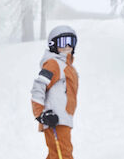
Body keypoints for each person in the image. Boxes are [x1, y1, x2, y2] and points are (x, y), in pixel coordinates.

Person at [31, 25, 79, 159]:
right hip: (53, 119)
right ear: (53, 45)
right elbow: (38, 88)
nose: (68, 46)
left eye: (71, 41)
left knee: (56, 155)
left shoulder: (67, 67)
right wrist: (41, 114)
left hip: (63, 119)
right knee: (63, 154)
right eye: (63, 42)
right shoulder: (54, 64)